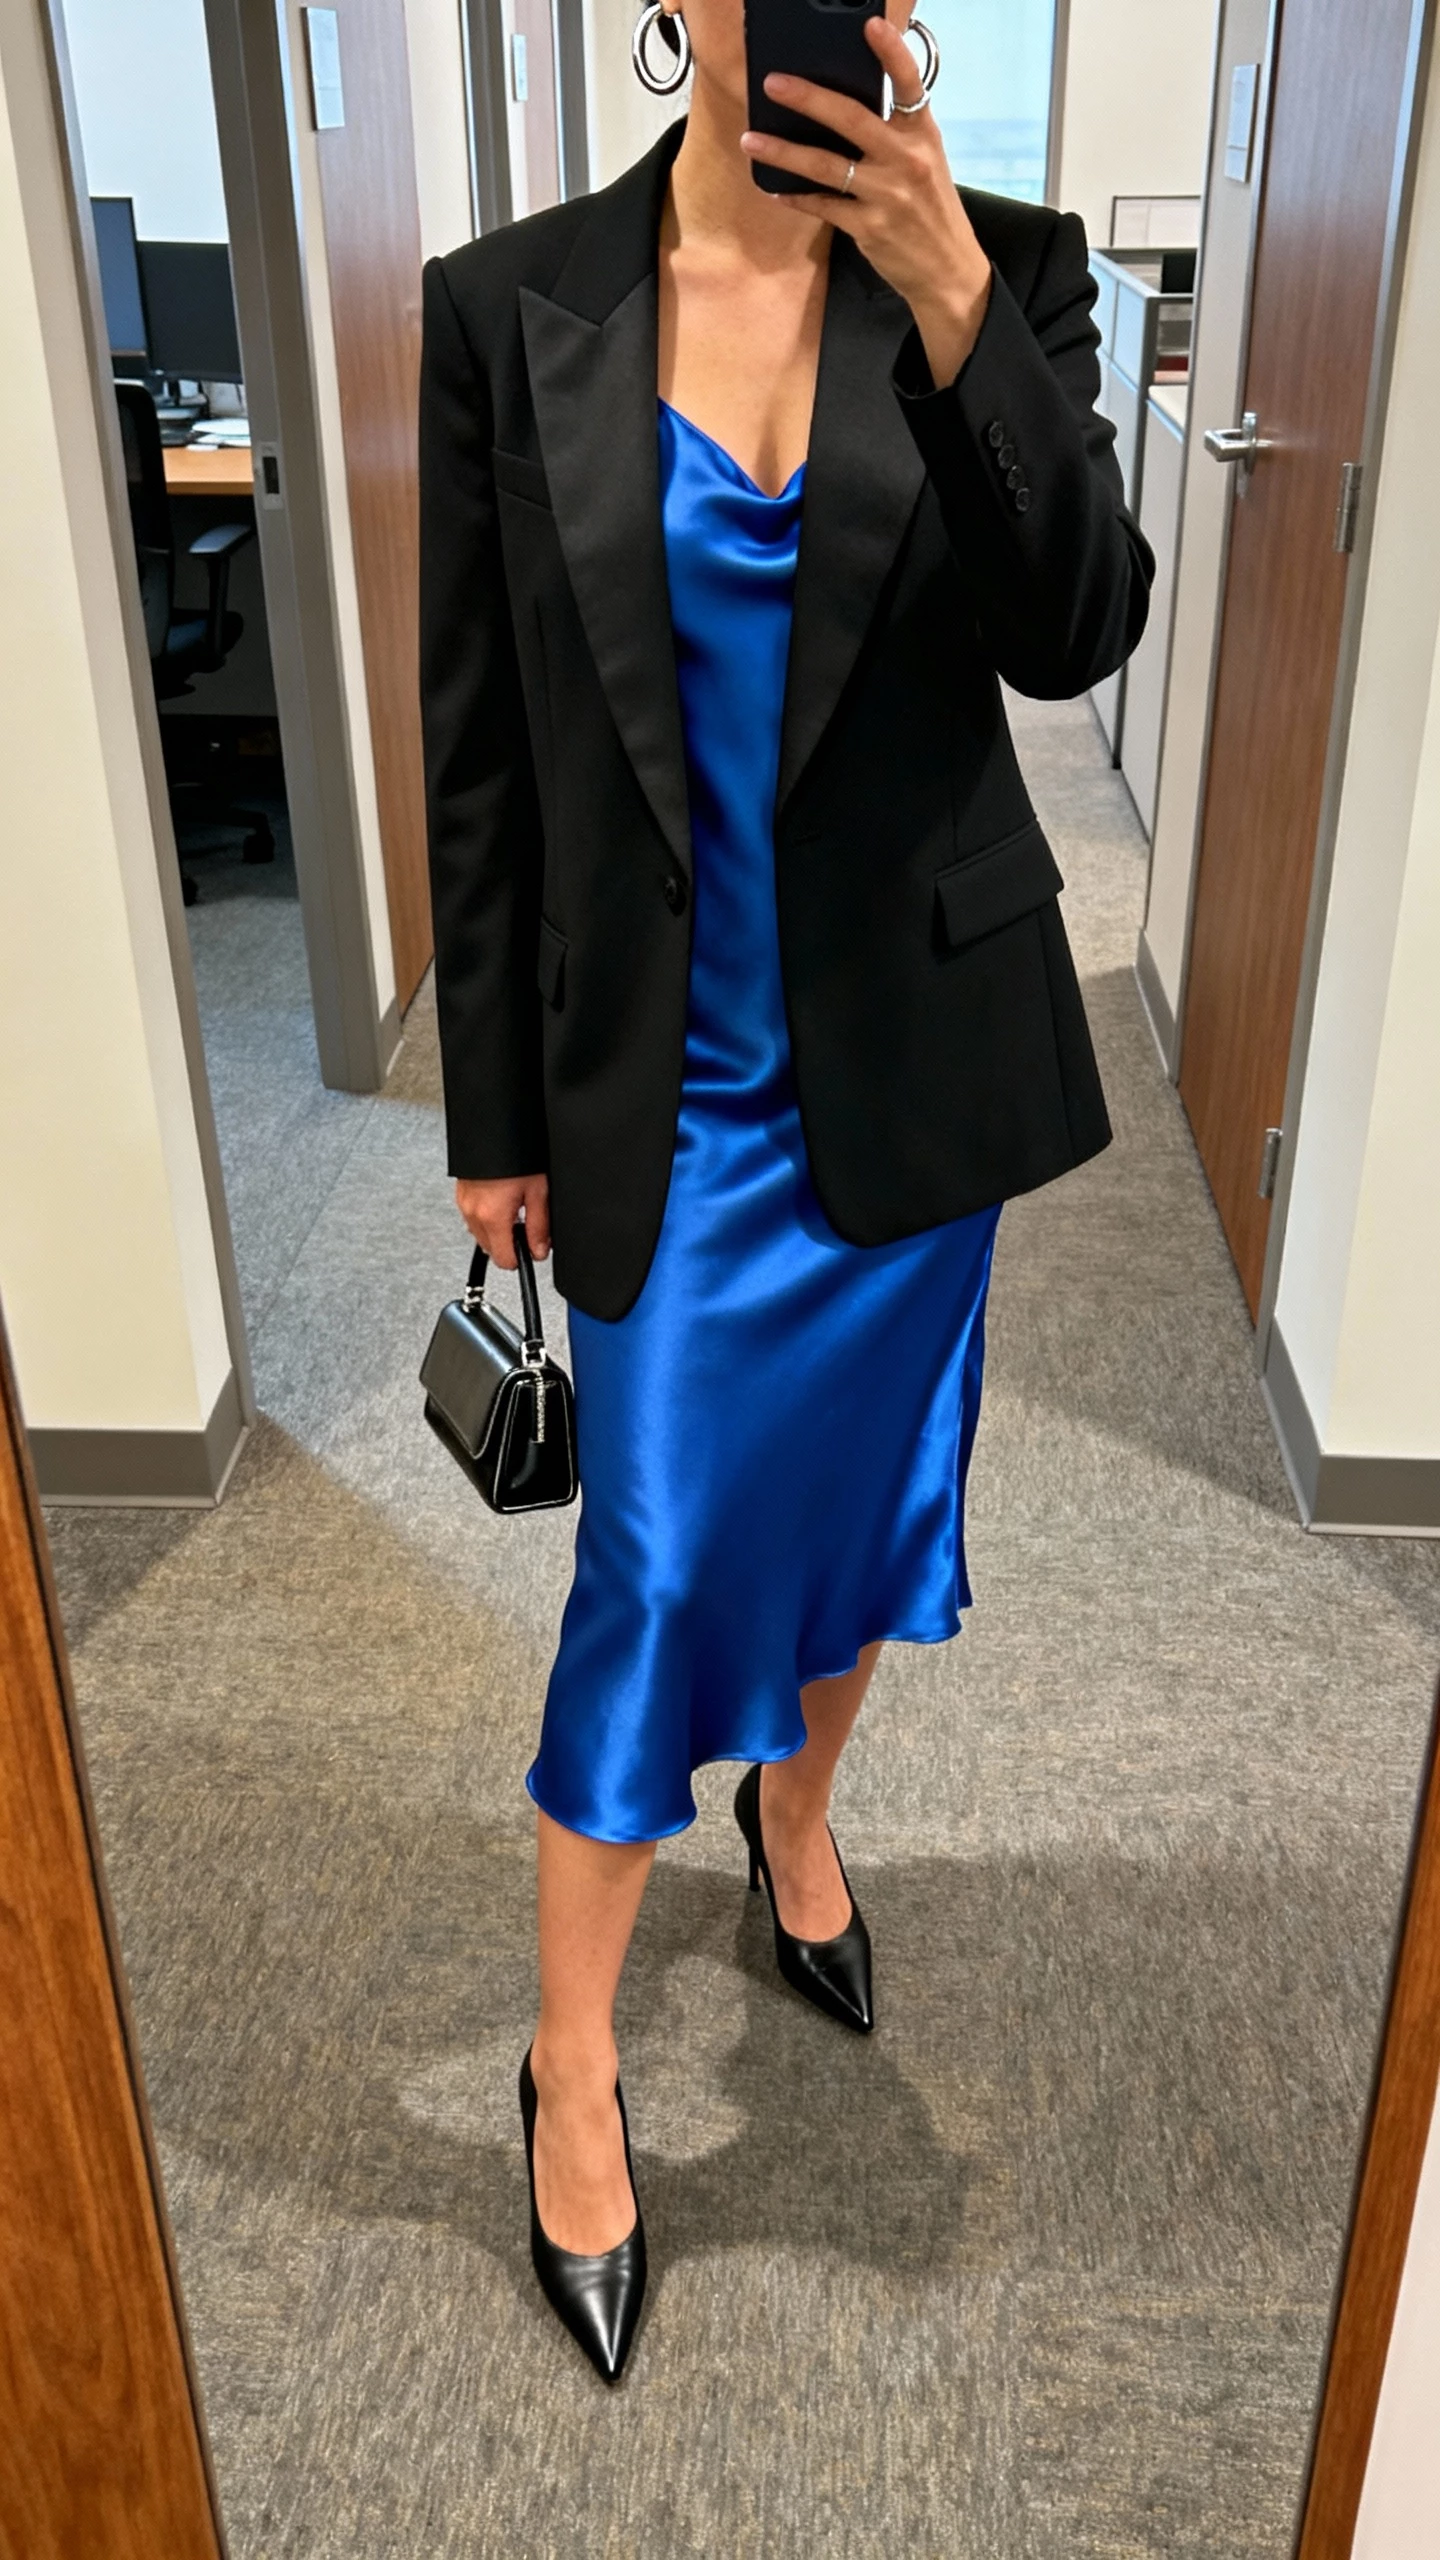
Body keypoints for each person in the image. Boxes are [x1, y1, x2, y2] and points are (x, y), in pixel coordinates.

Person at [418, 0, 1151, 2385]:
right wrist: (490, 1112)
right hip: (661, 1095)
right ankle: (572, 2058)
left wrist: (946, 294)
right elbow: (480, 748)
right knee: (648, 1570)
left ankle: (798, 1818)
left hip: (905, 1086)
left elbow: (1079, 627)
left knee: (859, 1522)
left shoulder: (1006, 265)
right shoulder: (508, 307)